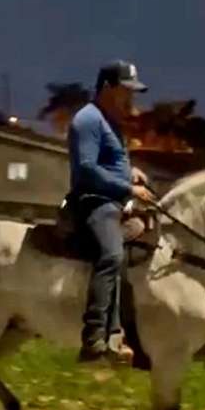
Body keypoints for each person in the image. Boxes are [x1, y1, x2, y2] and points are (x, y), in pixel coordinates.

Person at [68, 60, 153, 364]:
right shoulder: (87, 120)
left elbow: (110, 162)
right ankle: (94, 337)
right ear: (107, 88)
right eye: (126, 90)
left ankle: (128, 333)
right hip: (94, 202)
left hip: (114, 198)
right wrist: (128, 189)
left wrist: (131, 172)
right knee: (112, 255)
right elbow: (88, 169)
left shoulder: (109, 120)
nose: (131, 98)